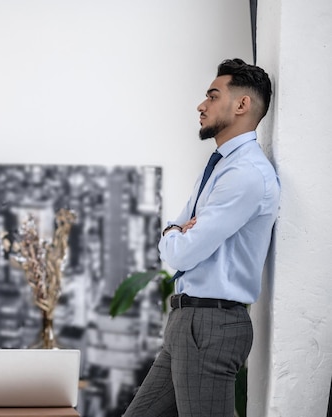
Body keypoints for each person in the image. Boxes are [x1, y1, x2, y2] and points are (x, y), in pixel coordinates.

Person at [123, 58, 280, 417]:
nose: (201, 104)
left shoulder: (246, 174)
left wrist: (175, 233)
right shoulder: (221, 165)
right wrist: (174, 231)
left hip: (211, 323)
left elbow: (181, 253)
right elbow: (176, 231)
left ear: (242, 105)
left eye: (212, 95)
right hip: (187, 321)